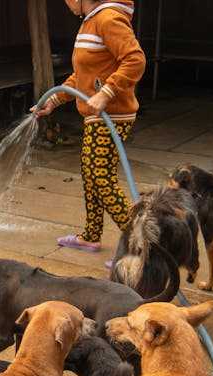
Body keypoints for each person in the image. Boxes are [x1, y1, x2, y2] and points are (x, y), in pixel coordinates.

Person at [33, 0, 145, 253]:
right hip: (97, 117)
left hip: (112, 115)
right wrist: (54, 100)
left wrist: (106, 92)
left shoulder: (108, 19)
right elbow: (82, 75)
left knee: (101, 178)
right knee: (91, 175)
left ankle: (140, 249)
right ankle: (92, 235)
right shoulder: (91, 21)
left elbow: (135, 60)